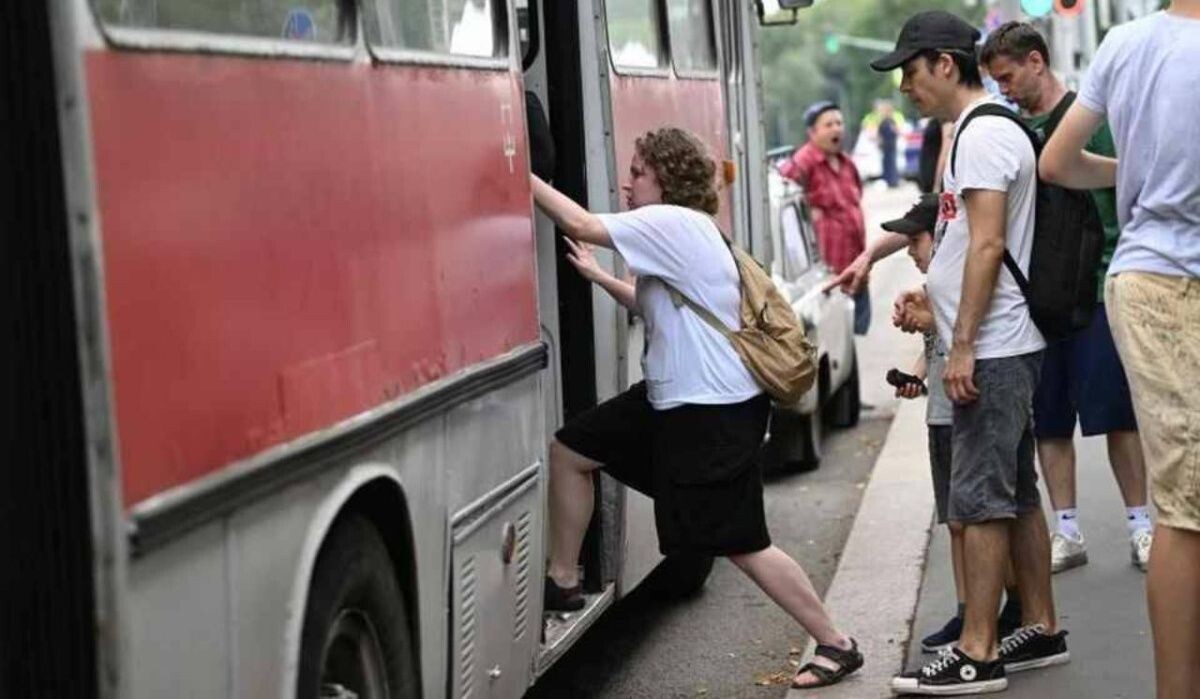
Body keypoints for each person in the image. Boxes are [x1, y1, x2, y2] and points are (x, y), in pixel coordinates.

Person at [532, 127, 863, 691]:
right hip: (674, 403)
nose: (628, 182)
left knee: (741, 543)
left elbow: (583, 223)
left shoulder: (675, 223)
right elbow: (658, 306)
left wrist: (520, 171)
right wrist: (600, 278)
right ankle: (562, 578)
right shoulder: (686, 234)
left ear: (666, 178)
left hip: (712, 413)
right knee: (573, 449)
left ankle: (835, 642)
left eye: (637, 171)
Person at [867, 11, 1067, 695]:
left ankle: (978, 650)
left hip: (993, 347)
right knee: (1016, 492)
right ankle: (1039, 623)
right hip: (1001, 341)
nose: (904, 87)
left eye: (910, 71)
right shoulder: (976, 134)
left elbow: (986, 244)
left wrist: (959, 344)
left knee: (980, 499)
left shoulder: (981, 136)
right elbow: (969, 247)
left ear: (945, 65)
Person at [1040, 4, 1200, 697]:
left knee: (1185, 502)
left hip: (1146, 275)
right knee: (1190, 505)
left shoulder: (1127, 43)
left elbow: (1057, 161)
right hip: (1175, 278)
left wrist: (1133, 172)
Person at [980, 21, 1153, 574]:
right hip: (1035, 297)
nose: (1004, 89)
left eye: (1008, 77)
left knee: (1116, 415)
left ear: (1036, 61)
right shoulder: (1006, 130)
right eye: (995, 81)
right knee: (1049, 421)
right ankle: (1068, 530)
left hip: (1095, 288)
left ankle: (1140, 525)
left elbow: (1124, 199)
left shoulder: (1088, 122)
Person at [885, 196, 1025, 655]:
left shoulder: (959, 285)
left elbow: (963, 336)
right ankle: (968, 609)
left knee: (982, 515)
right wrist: (915, 377)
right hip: (940, 416)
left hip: (963, 410)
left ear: (942, 239)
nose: (909, 249)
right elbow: (932, 346)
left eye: (915, 239)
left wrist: (931, 317)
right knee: (955, 522)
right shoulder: (932, 288)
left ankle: (1009, 606)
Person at [778, 101, 871, 335]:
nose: (836, 129)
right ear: (813, 132)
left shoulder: (846, 163)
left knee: (852, 335)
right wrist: (809, 211)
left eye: (839, 123)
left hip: (854, 265)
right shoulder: (802, 163)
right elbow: (782, 198)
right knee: (834, 340)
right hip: (827, 274)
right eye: (828, 125)